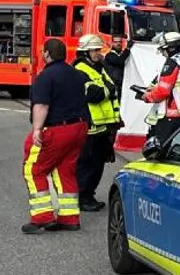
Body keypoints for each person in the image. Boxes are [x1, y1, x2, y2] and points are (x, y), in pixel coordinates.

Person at [22, 37, 90, 234]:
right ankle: (69, 218)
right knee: (65, 171)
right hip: (79, 127)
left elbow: (42, 105)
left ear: (46, 54)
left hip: (56, 129)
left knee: (33, 169)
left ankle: (42, 217)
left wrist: (37, 129)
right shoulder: (77, 74)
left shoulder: (45, 77)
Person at [74, 34, 122, 212]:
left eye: (98, 49)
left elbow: (110, 89)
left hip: (104, 126)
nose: (98, 53)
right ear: (85, 51)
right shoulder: (80, 69)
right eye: (95, 50)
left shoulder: (98, 68)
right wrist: (108, 89)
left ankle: (88, 194)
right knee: (87, 164)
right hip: (91, 127)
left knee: (98, 164)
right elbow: (94, 95)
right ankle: (82, 196)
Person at [142, 31, 180, 144]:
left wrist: (147, 96)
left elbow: (163, 92)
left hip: (172, 117)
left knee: (164, 151)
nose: (162, 54)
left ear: (170, 48)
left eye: (163, 50)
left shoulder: (172, 63)